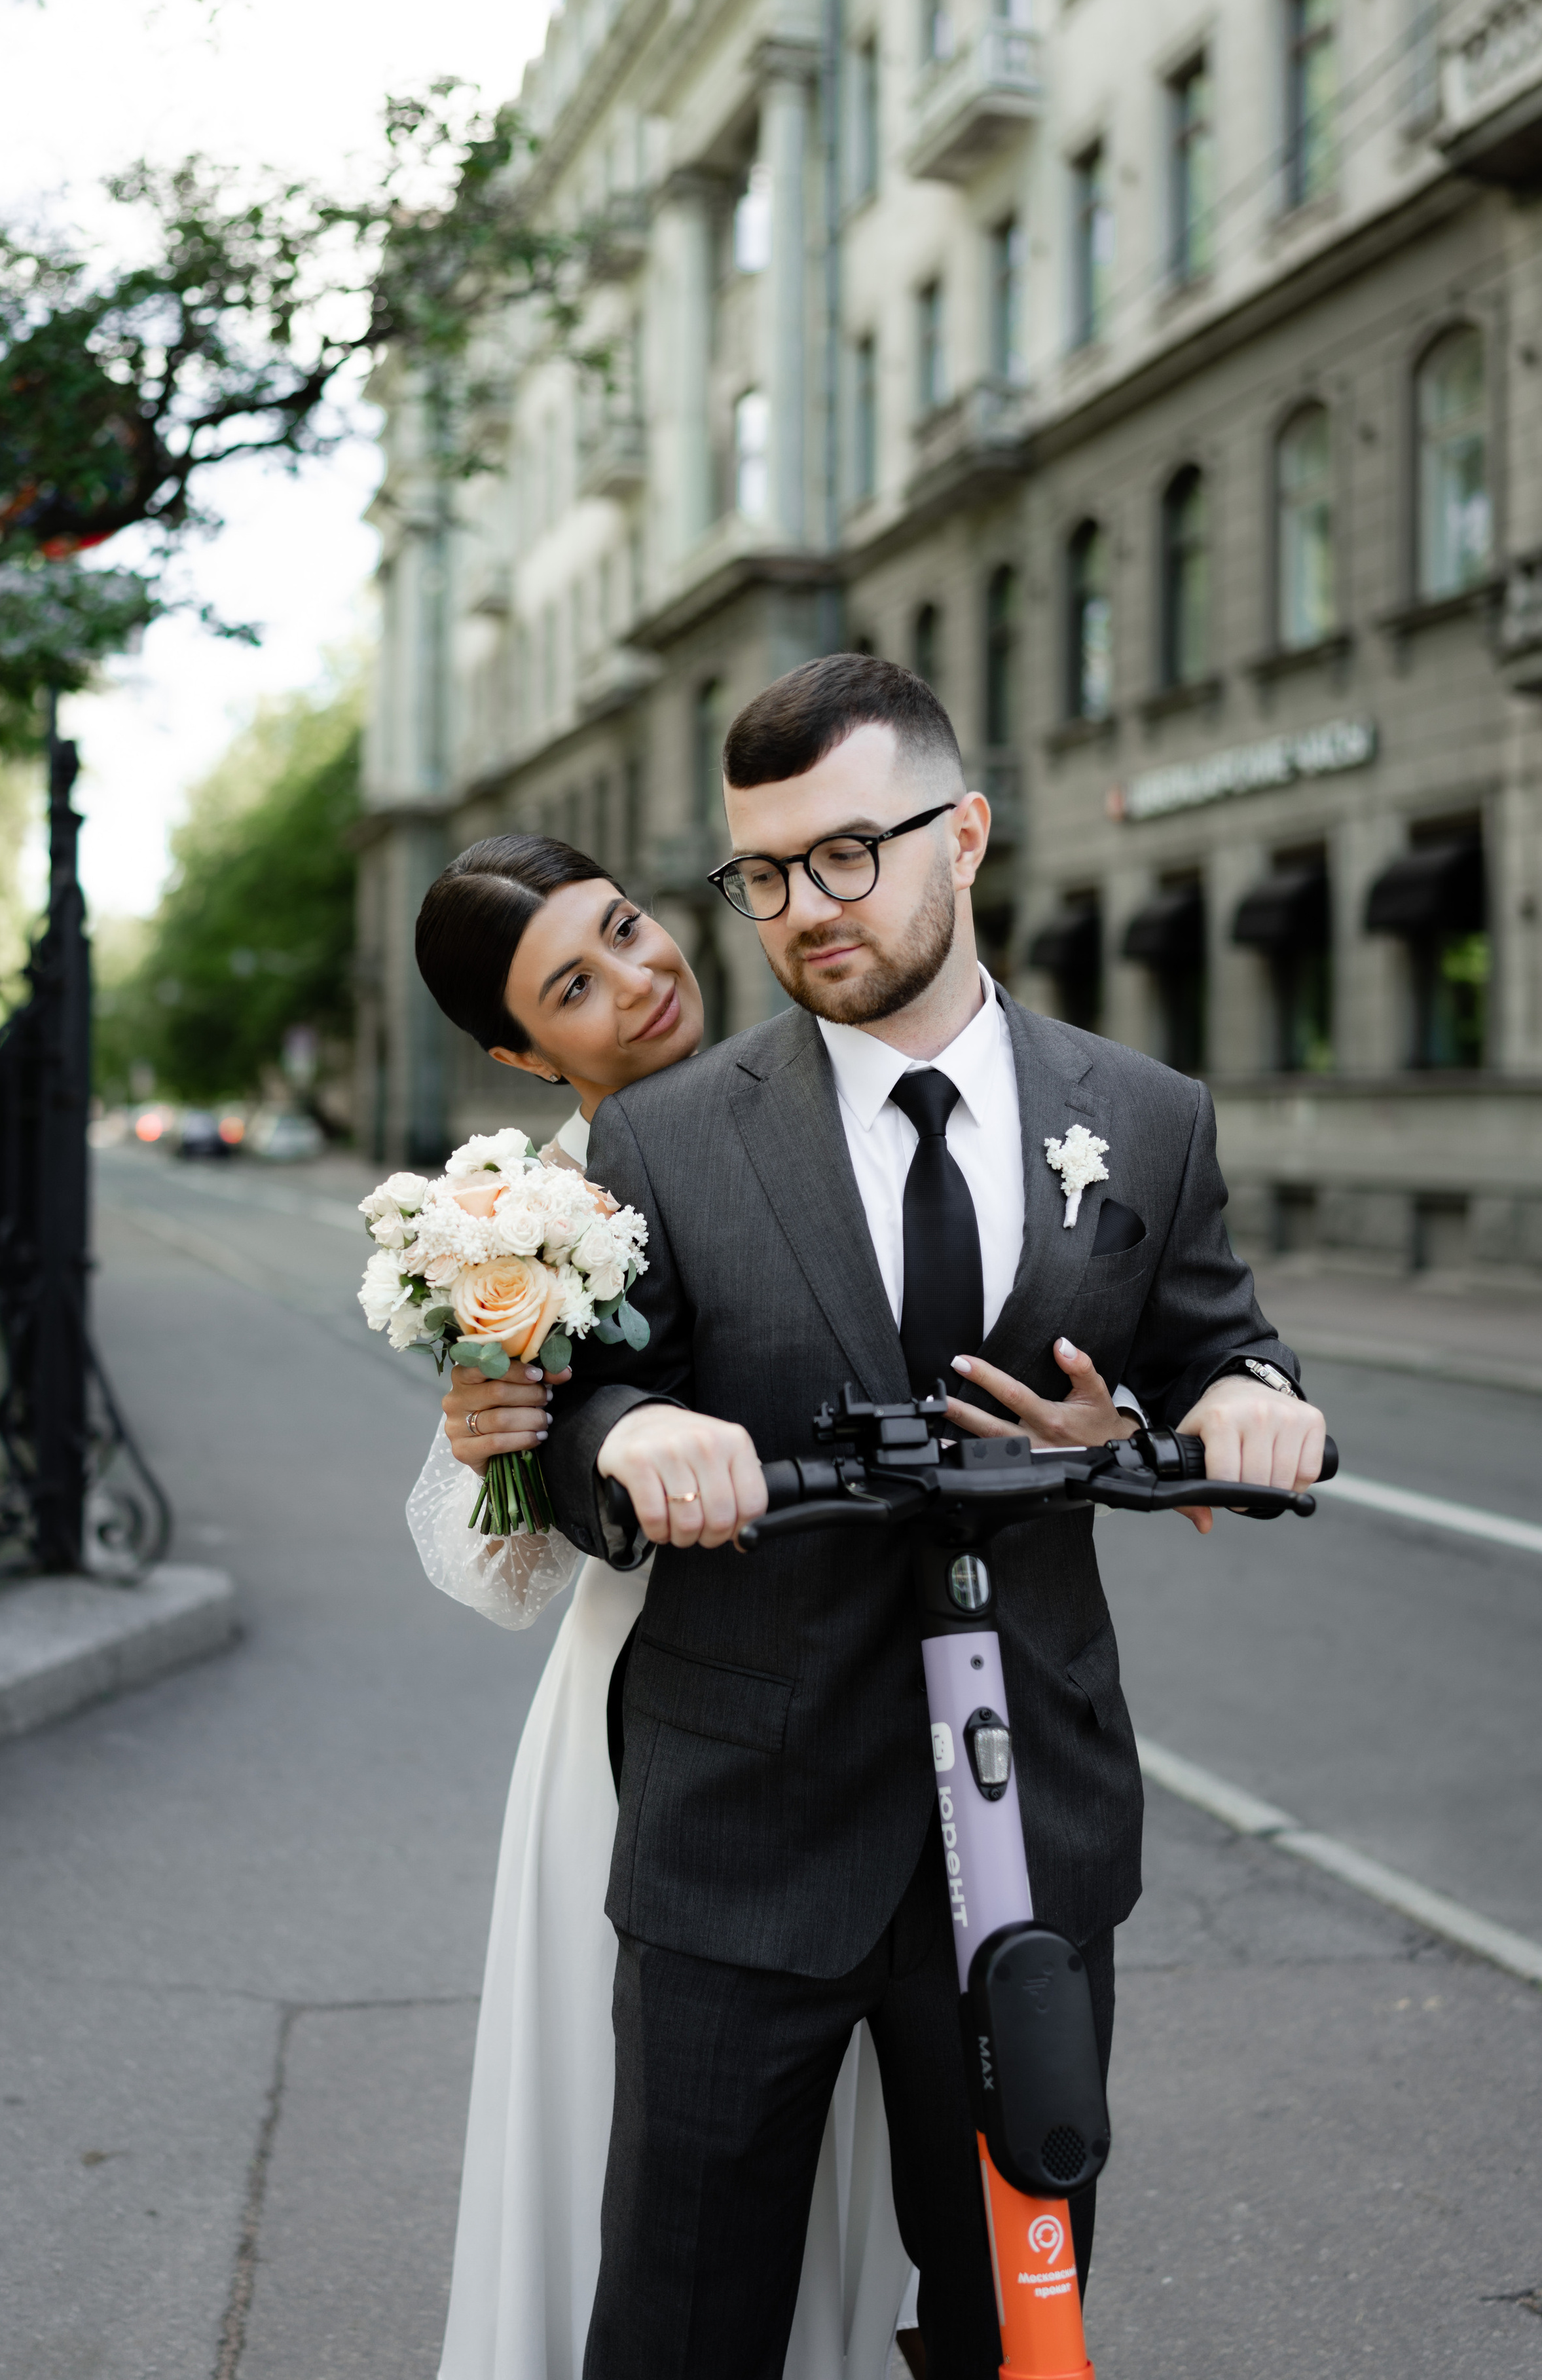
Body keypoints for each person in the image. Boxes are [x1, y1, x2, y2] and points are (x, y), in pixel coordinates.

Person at [541, 656, 1327, 2380]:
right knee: (680, 2324)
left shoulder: (1145, 1118)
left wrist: (1248, 1405)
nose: (803, 909)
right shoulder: (661, 1146)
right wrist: (636, 1429)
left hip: (1026, 1819)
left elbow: (1219, 1346)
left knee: (1015, 2324)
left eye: (848, 854)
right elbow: (567, 1415)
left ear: (962, 833)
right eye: (760, 874)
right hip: (744, 1821)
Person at [407, 834, 964, 2380]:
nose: (640, 980)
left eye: (628, 930)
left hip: (884, 1707)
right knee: (666, 2148)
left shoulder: (849, 1100)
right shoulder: (530, 1225)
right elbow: (497, 1566)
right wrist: (495, 1442)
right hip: (661, 1738)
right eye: (572, 987)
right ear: (522, 1053)